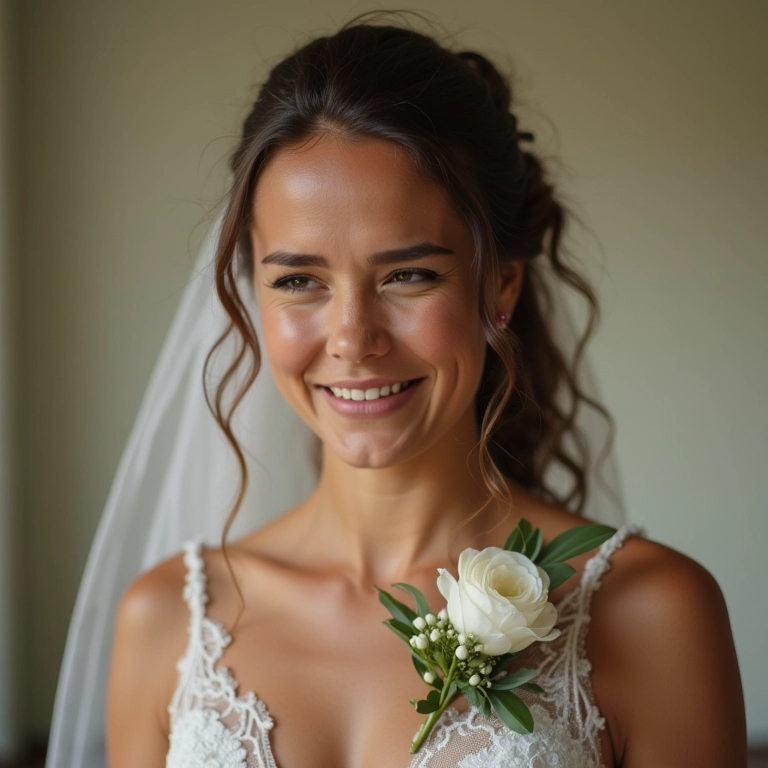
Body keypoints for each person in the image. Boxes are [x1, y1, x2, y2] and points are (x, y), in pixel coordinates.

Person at [78, 17, 745, 768]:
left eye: (408, 275)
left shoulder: (653, 613)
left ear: (501, 285)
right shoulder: (165, 619)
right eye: (299, 281)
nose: (352, 337)